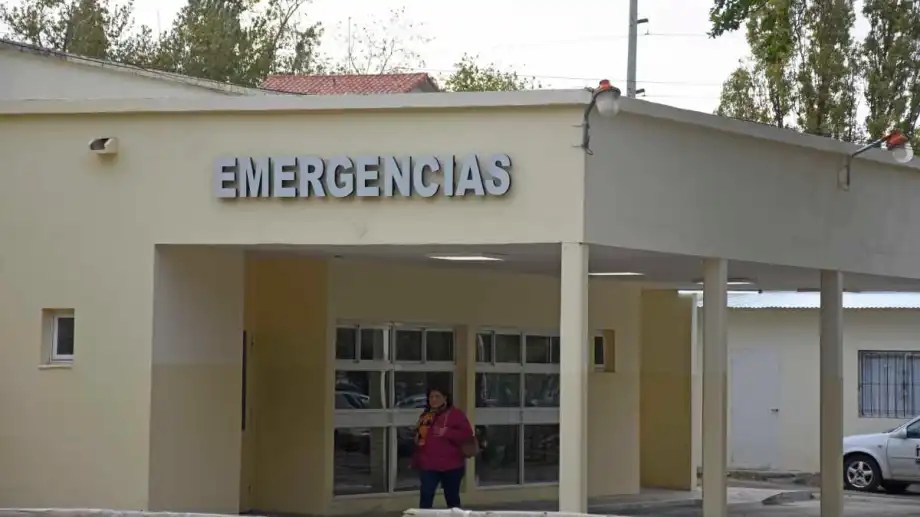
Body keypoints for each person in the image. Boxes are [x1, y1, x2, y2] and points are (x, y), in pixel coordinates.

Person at [412, 385, 474, 509]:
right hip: (429, 465)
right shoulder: (425, 416)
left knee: (452, 499)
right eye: (431, 397)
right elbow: (420, 439)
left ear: (445, 398)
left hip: (451, 466)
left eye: (437, 396)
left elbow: (466, 435)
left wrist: (447, 432)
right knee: (426, 497)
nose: (433, 400)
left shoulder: (456, 415)